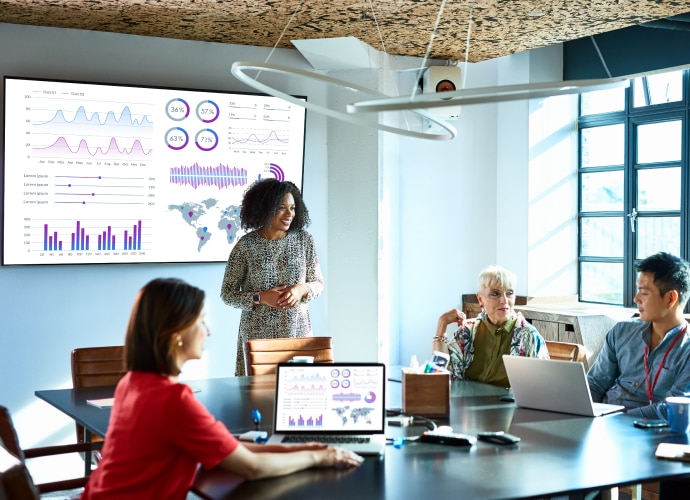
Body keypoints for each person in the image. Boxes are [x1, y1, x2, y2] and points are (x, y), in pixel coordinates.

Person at [81, 278, 362, 500]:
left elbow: (227, 449)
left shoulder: (133, 383)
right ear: (176, 333)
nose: (209, 331)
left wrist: (300, 449)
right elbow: (250, 468)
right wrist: (318, 457)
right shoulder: (172, 400)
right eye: (201, 320)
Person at [220, 178, 324, 376]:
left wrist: (301, 289)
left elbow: (318, 284)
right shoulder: (246, 246)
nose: (289, 214)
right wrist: (261, 297)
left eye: (293, 208)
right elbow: (227, 294)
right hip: (258, 339)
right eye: (281, 207)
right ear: (265, 208)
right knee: (258, 398)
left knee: (298, 394)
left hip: (297, 333)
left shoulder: (305, 240)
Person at [587, 252, 690, 419]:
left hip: (651, 432)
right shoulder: (621, 331)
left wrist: (613, 419)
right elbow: (595, 384)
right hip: (602, 424)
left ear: (671, 298)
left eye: (644, 292)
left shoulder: (686, 349)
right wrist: (582, 414)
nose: (636, 298)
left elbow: (672, 408)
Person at [431, 265, 549, 386]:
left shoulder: (529, 337)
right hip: (466, 403)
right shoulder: (468, 332)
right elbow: (439, 376)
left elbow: (542, 388)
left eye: (509, 293)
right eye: (495, 293)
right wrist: (442, 324)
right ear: (480, 299)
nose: (504, 300)